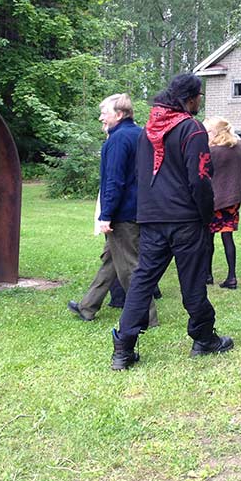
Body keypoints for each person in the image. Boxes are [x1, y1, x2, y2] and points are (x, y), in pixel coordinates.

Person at [111, 73, 233, 370]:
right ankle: (204, 338)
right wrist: (206, 217)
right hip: (186, 219)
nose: (200, 101)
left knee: (142, 280)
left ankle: (123, 350)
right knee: (192, 280)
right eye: (199, 96)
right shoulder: (191, 129)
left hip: (152, 218)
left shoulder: (147, 130)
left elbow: (142, 176)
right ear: (190, 98)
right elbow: (200, 179)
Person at [68, 94, 157, 326]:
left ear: (118, 115)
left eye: (104, 113)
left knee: (129, 265)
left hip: (123, 214)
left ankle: (147, 317)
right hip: (140, 209)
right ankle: (87, 306)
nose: (101, 118)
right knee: (111, 261)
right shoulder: (141, 134)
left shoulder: (117, 140)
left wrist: (106, 215)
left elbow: (114, 181)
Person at [203, 117, 241, 289]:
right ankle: (231, 277)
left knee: (208, 238)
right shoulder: (238, 146)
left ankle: (207, 275)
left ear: (215, 131)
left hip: (212, 200)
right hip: (232, 199)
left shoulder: (209, 150)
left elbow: (202, 173)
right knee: (227, 236)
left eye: (208, 130)